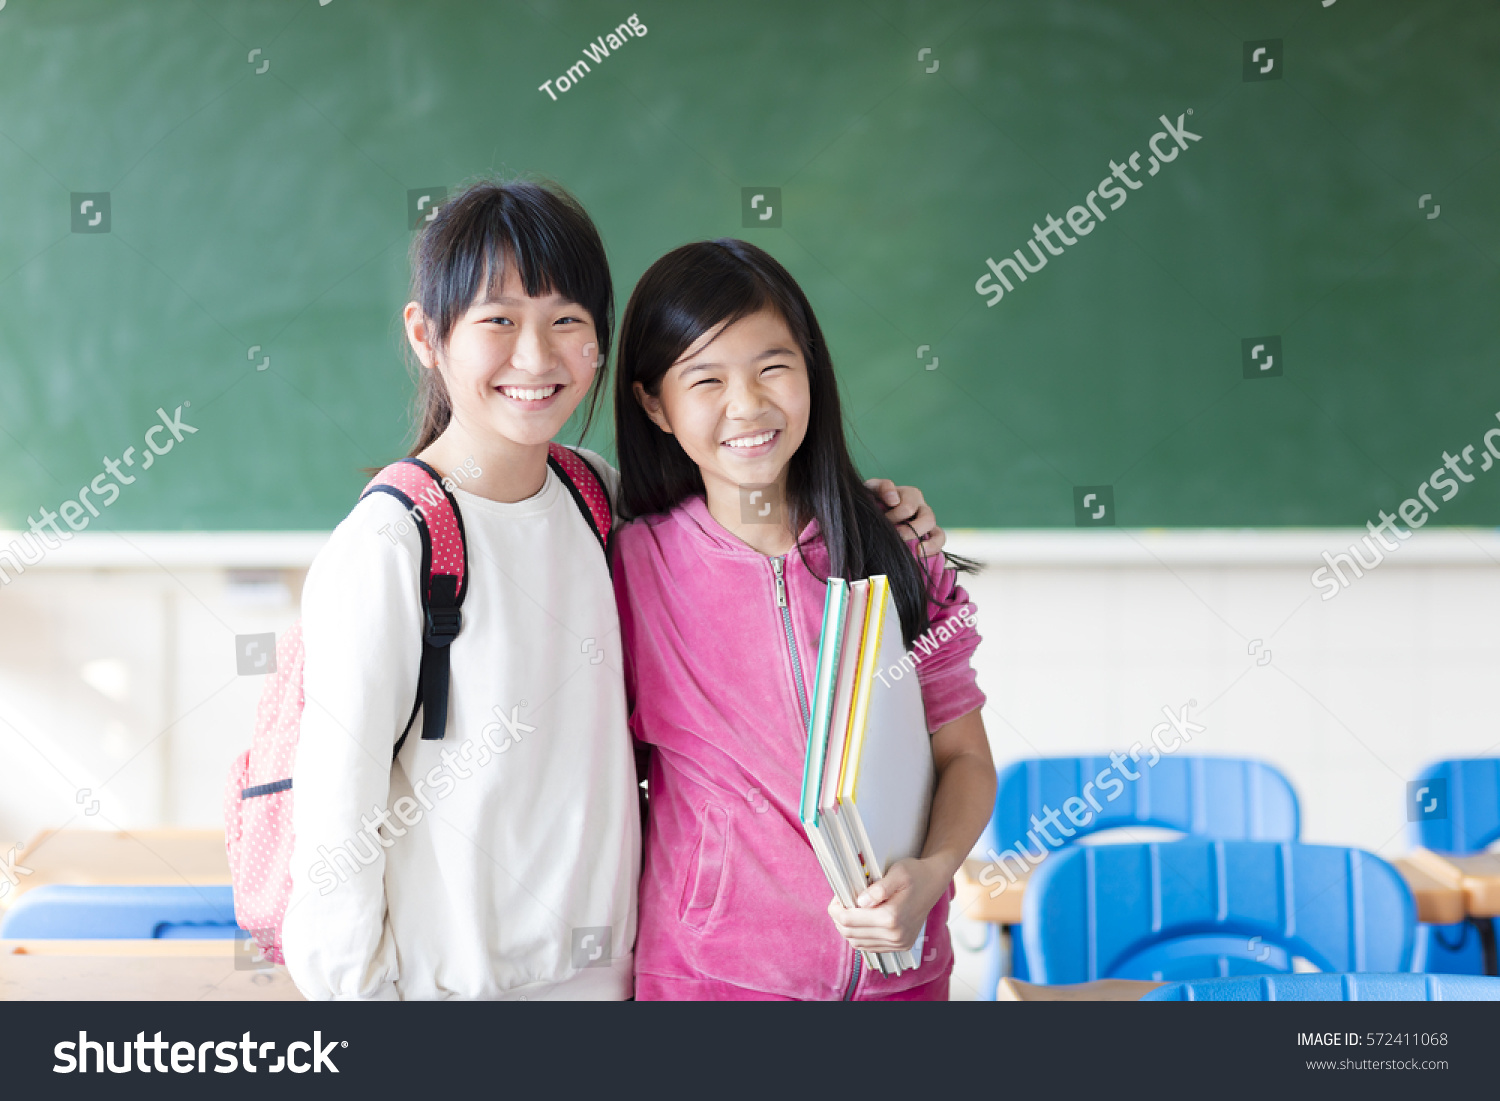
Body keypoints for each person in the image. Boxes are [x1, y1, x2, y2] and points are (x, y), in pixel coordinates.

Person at [281, 180, 947, 999]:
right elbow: (333, 824)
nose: (537, 357)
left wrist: (874, 512)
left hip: (613, 979)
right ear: (426, 334)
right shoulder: (391, 545)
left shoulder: (596, 497)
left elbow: (745, 506)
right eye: (499, 320)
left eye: (567, 321)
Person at [613, 238, 996, 1000]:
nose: (748, 404)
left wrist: (930, 874)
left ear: (812, 369)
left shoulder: (893, 550)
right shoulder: (630, 571)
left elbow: (965, 758)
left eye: (773, 367)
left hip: (901, 978)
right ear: (654, 404)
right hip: (709, 984)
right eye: (706, 378)